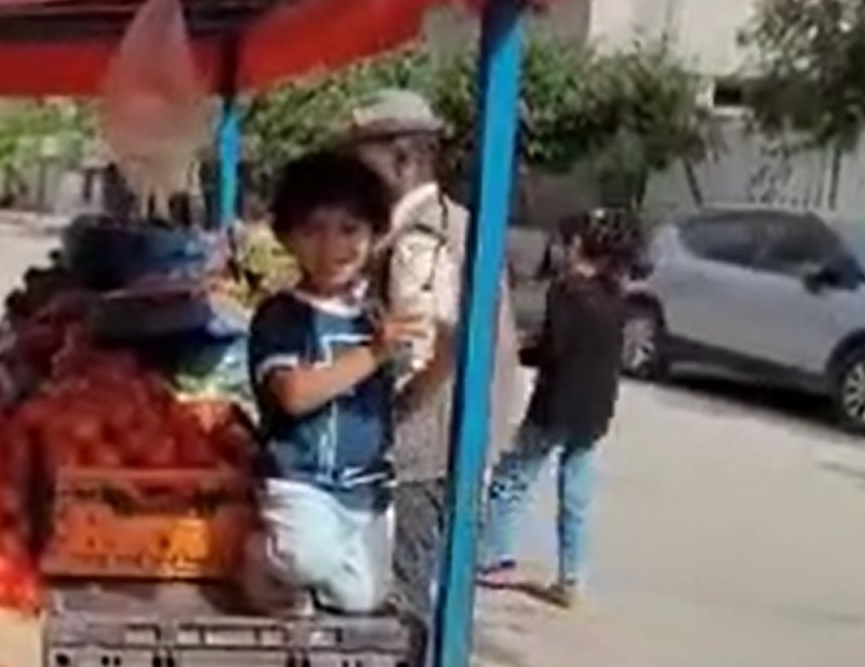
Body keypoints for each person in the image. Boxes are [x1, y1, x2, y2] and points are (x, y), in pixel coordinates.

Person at [345, 89, 523, 622]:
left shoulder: (420, 238)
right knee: (434, 584)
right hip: (461, 436)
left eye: (363, 166)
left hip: (428, 446)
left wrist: (387, 416)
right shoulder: (459, 219)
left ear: (403, 159)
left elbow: (429, 349)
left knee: (407, 592)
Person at [241, 152, 431, 615]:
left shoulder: (376, 315)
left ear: (374, 236)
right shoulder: (282, 316)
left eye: (349, 230)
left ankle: (301, 577)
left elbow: (395, 401)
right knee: (307, 558)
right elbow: (294, 395)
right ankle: (255, 556)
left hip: (366, 489)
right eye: (313, 231)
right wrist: (373, 353)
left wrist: (444, 356)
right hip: (302, 481)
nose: (331, 247)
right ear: (287, 238)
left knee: (361, 598)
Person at [479, 209, 640, 607]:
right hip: (594, 410)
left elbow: (555, 349)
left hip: (555, 404)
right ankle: (571, 577)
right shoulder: (617, 297)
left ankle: (494, 558)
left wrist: (520, 348)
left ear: (577, 247)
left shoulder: (566, 292)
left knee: (512, 478)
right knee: (577, 491)